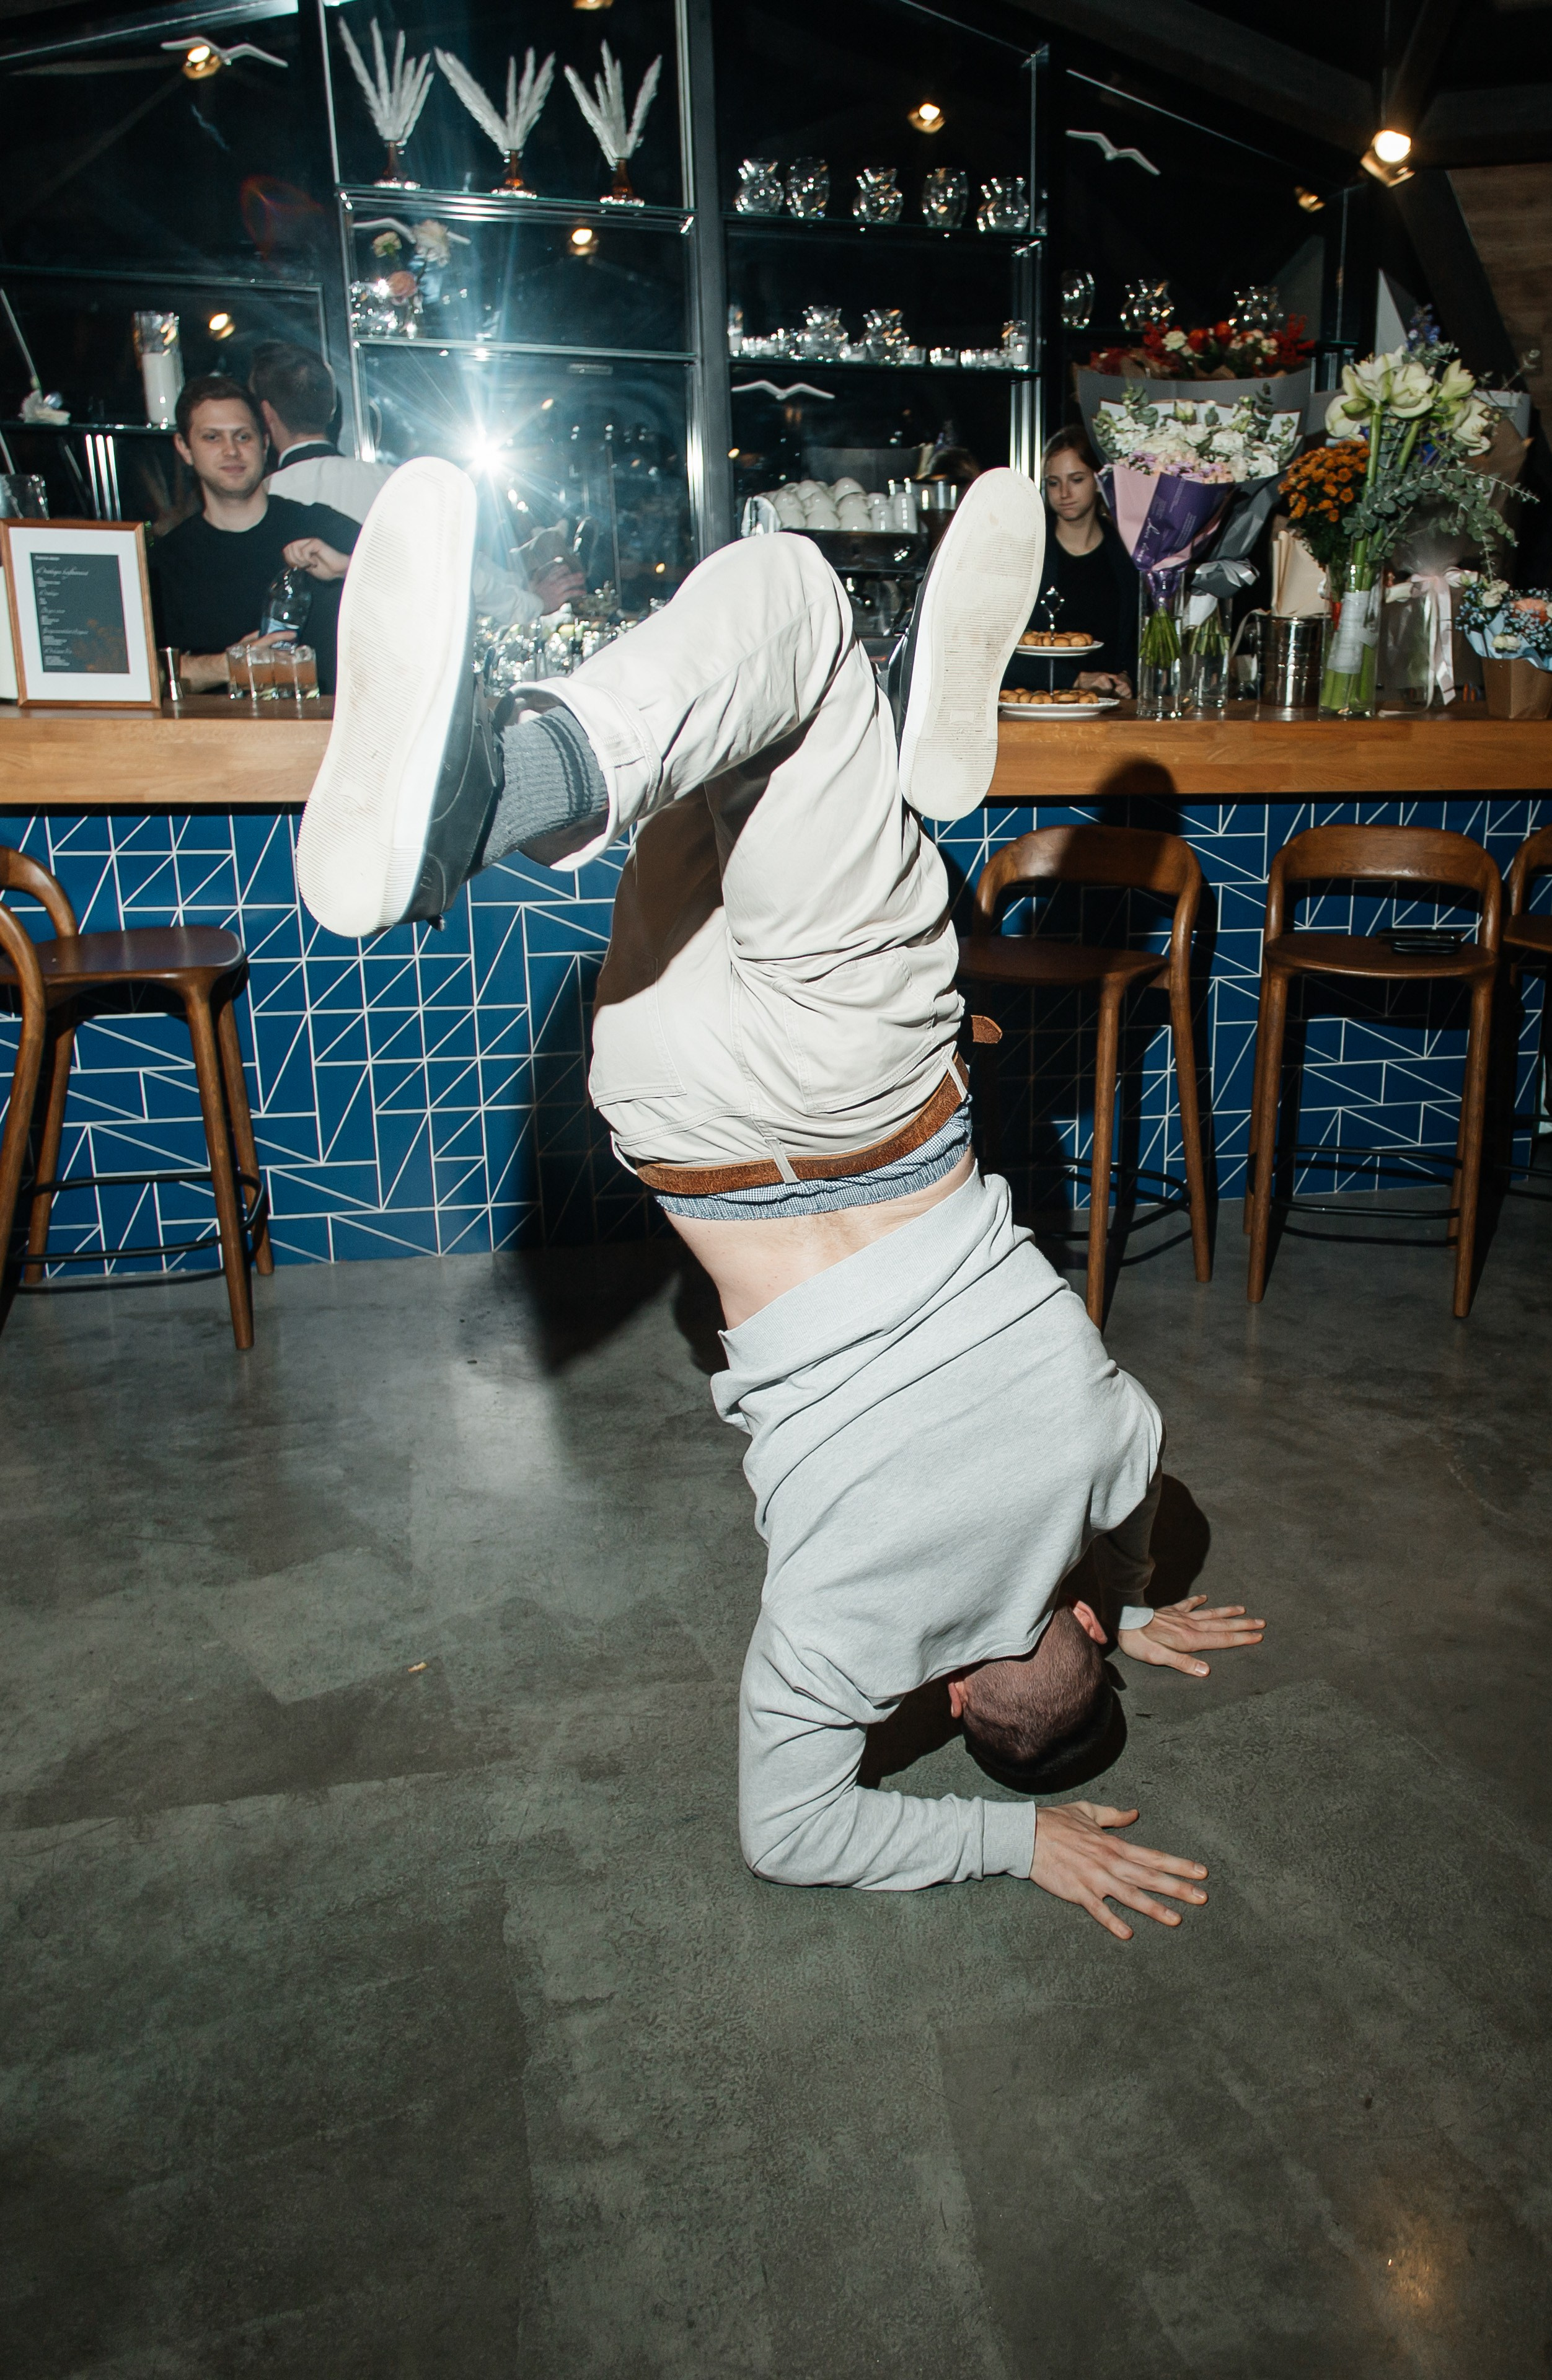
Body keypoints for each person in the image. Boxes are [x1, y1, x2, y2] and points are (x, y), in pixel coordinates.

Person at [294, 464, 1264, 1931]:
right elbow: (787, 1831)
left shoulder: (1097, 1444)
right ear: (945, 1693)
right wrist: (1018, 1844)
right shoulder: (842, 1633)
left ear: (1073, 1622)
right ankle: (852, 754)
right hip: (681, 1119)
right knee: (722, 746)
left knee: (784, 597)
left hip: (867, 1086)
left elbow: (1134, 1514)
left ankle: (702, 765)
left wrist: (1131, 1597)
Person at [250, 340, 585, 622]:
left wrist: (525, 576)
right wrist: (534, 602)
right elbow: (463, 575)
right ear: (333, 409)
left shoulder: (256, 503)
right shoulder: (395, 485)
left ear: (265, 414)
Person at [148, 375, 361, 692]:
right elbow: (148, 676)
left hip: (324, 736)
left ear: (264, 443)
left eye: (243, 437)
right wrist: (228, 665)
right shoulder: (166, 562)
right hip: (218, 740)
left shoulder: (320, 527)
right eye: (212, 438)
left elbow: (424, 588)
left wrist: (347, 568)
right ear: (185, 448)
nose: (231, 451)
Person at [1007, 426, 1138, 697]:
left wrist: (1128, 676)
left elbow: (1137, 637)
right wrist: (1076, 679)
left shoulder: (1128, 551)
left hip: (1110, 709)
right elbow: (996, 650)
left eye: (1076, 480)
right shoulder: (1026, 550)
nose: (1064, 493)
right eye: (1054, 483)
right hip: (1038, 707)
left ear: (1098, 480)